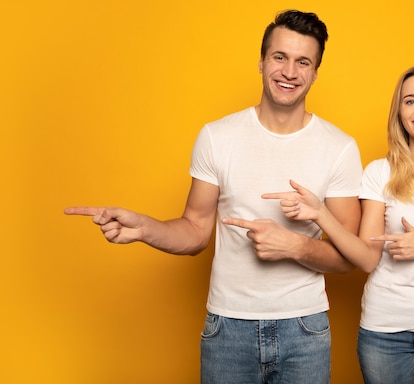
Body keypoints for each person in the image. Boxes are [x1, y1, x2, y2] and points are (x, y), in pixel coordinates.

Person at [65, 9, 362, 384]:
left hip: (304, 327)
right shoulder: (217, 137)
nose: (290, 72)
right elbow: (195, 230)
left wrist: (295, 247)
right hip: (227, 327)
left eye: (303, 62)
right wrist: (146, 229)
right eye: (280, 57)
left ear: (316, 72)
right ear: (261, 61)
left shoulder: (339, 148)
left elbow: (347, 256)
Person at [264, 64, 414, 384]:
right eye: (410, 101)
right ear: (399, 112)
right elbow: (367, 257)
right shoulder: (378, 173)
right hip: (384, 332)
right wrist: (320, 213)